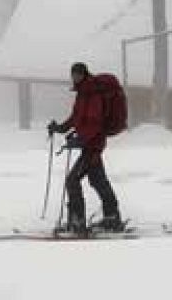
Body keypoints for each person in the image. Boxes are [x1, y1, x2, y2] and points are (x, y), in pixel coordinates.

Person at [47, 62, 123, 234]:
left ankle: (77, 221)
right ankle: (112, 218)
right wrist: (60, 128)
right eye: (73, 74)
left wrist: (80, 139)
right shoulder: (82, 93)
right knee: (97, 180)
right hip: (89, 145)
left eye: (78, 74)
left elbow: (95, 123)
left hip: (92, 146)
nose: (75, 77)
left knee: (72, 180)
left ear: (84, 74)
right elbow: (76, 118)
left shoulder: (93, 94)